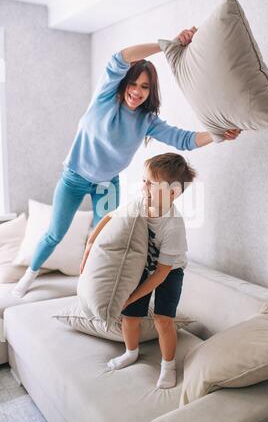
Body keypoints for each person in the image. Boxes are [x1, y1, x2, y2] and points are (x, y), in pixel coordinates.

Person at [12, 26, 241, 298]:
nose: (137, 91)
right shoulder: (105, 98)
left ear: (150, 91)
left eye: (144, 87)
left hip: (107, 185)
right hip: (74, 178)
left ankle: (89, 287)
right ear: (124, 84)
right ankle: (30, 275)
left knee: (103, 240)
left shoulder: (147, 121)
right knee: (55, 234)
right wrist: (168, 44)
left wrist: (218, 135)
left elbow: (183, 139)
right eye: (133, 84)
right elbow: (120, 57)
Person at [80, 152, 196, 389]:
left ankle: (168, 365)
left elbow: (162, 274)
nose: (144, 186)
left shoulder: (173, 226)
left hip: (169, 272)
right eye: (144, 180)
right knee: (130, 316)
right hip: (142, 265)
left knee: (163, 320)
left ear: (172, 193)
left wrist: (131, 297)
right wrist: (92, 242)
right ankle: (131, 352)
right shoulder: (139, 204)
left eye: (151, 183)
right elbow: (111, 216)